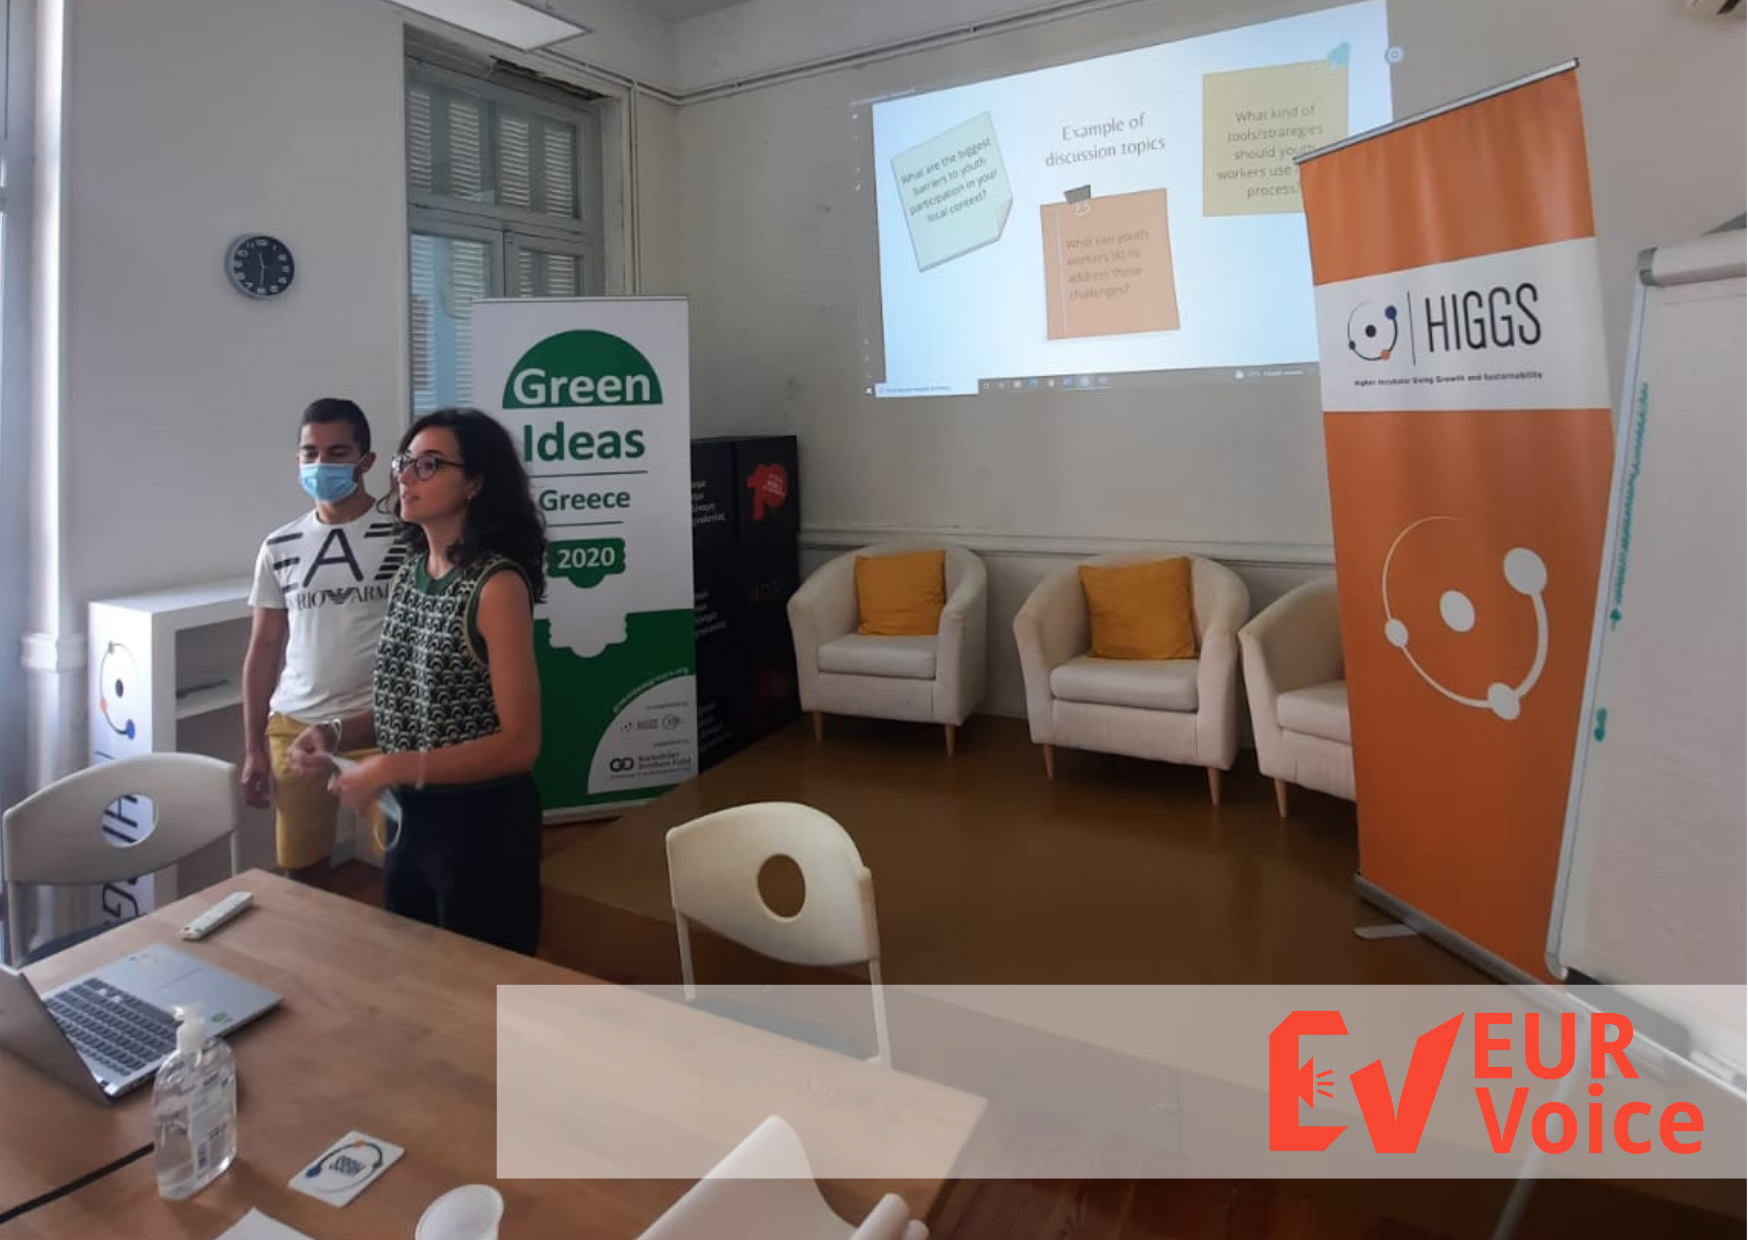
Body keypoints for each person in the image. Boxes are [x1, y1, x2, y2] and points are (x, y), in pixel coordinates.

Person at [287, 407, 547, 954]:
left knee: (480, 991)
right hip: (413, 818)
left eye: (429, 464)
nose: (406, 476)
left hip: (481, 826)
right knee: (415, 976)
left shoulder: (495, 585)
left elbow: (520, 745)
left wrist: (391, 766)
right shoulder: (410, 574)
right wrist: (334, 733)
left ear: (475, 482)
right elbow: (410, 706)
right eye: (404, 462)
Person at [242, 398, 399, 881]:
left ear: (365, 461)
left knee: (406, 862)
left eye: (337, 452)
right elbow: (264, 647)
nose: (321, 464)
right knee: (302, 873)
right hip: (296, 727)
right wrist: (252, 746)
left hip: (380, 725)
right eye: (311, 453)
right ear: (298, 459)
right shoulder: (279, 546)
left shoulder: (405, 536)